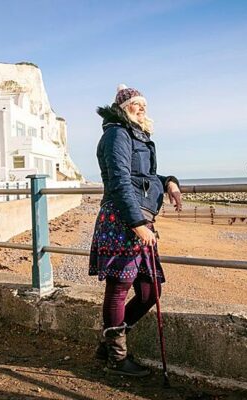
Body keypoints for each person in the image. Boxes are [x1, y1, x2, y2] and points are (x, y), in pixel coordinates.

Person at [88, 84, 182, 377]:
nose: (141, 107)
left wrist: (169, 181)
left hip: (139, 219)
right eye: (134, 103)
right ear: (121, 107)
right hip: (123, 220)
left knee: (150, 291)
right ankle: (116, 358)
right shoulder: (117, 133)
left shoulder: (136, 134)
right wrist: (137, 224)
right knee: (119, 289)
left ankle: (108, 346)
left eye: (143, 104)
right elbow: (118, 180)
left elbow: (144, 176)